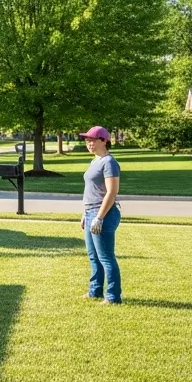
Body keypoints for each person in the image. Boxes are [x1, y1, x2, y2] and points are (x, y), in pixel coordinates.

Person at [78, 125, 123, 304]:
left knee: (105, 257)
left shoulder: (109, 163)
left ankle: (113, 297)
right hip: (91, 213)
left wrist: (99, 217)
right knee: (93, 256)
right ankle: (95, 291)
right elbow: (91, 190)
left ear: (104, 141)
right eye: (87, 141)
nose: (89, 143)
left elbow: (111, 192)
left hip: (103, 214)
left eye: (92, 140)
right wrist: (85, 214)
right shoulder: (95, 161)